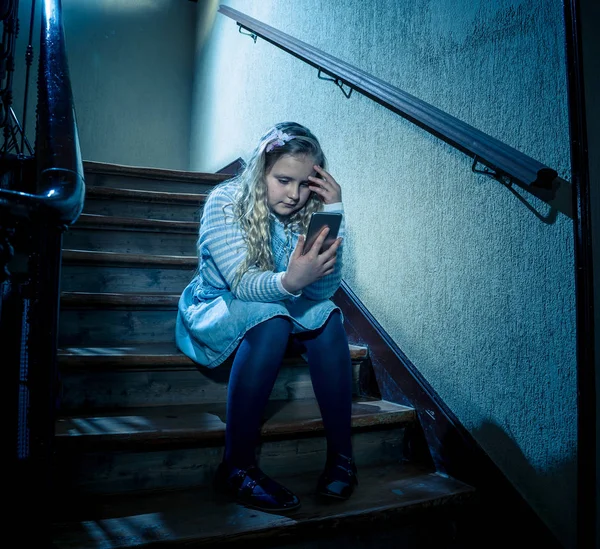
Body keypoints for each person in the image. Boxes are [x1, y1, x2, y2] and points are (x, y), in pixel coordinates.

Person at [176, 121, 356, 513]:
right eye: (283, 180)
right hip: (220, 303)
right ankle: (236, 466)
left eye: (305, 183)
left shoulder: (309, 211)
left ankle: (342, 456)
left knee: (327, 316)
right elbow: (241, 284)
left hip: (277, 300)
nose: (293, 194)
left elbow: (320, 291)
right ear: (260, 171)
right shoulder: (225, 201)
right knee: (272, 316)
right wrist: (292, 281)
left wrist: (332, 213)